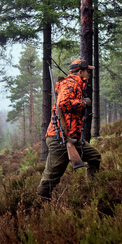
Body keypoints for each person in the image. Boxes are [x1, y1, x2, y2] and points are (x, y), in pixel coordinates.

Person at [36, 58, 102, 200]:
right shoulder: (69, 84)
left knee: (95, 157)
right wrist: (84, 103)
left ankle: (93, 194)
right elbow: (63, 104)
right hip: (59, 138)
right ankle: (37, 208)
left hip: (72, 138)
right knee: (50, 179)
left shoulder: (76, 85)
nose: (89, 74)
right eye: (87, 71)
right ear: (80, 71)